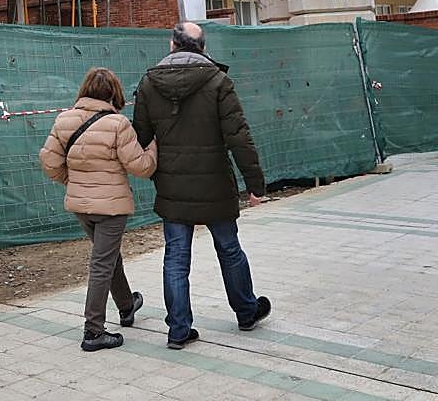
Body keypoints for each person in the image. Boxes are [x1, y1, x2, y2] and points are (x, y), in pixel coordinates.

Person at [132, 21, 271, 350]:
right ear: (203, 48)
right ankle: (247, 311)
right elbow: (239, 137)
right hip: (215, 183)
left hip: (172, 185)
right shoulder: (218, 81)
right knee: (229, 250)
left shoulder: (150, 83)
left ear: (172, 45)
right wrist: (256, 185)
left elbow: (140, 138)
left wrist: (155, 173)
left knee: (176, 257)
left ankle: (178, 329)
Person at [39, 67, 158, 352]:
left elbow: (49, 162)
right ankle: (93, 331)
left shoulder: (63, 120)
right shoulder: (118, 124)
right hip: (111, 207)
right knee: (102, 263)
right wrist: (154, 147)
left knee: (108, 256)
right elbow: (141, 167)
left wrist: (74, 182)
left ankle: (127, 305)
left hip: (81, 205)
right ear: (114, 93)